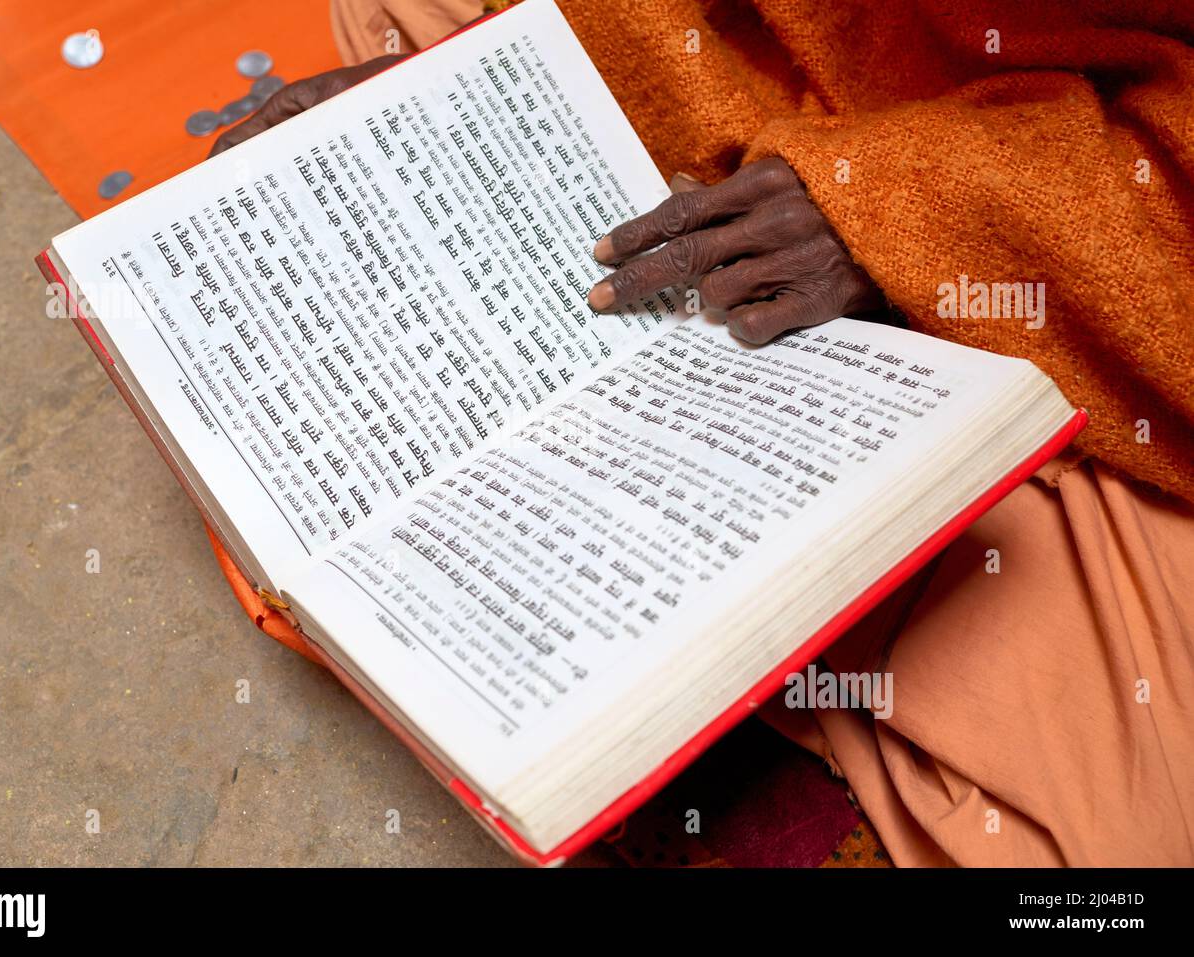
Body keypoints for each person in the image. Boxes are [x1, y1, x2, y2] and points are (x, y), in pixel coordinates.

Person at [213, 0, 1194, 866]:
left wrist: (910, 212)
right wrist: (493, 87)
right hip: (745, 59)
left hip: (1092, 182)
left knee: (1131, 824)